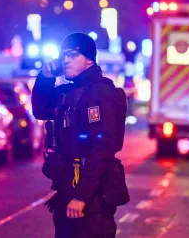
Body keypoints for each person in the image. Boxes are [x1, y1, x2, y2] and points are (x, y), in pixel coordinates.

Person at [32, 33, 128, 238]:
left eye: (72, 55)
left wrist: (82, 196)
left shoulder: (100, 93)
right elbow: (41, 109)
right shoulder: (71, 92)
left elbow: (103, 147)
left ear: (89, 60)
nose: (65, 60)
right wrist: (45, 77)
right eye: (63, 55)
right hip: (68, 189)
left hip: (92, 198)